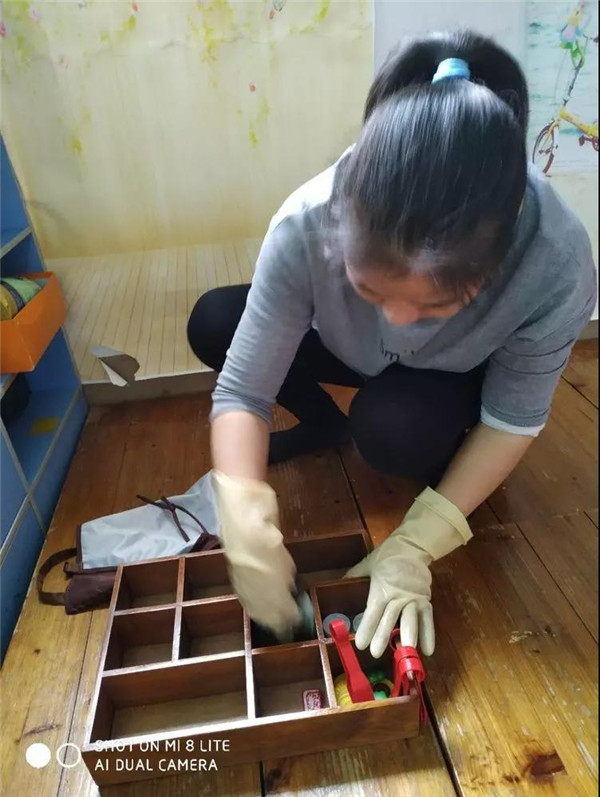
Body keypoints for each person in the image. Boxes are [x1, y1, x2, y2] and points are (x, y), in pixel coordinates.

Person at [188, 31, 597, 659]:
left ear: (497, 263)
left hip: (446, 379)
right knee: (216, 319)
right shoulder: (307, 221)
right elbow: (243, 389)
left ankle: (438, 460)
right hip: (345, 350)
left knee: (393, 429)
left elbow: (512, 419)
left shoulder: (556, 263)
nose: (401, 320)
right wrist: (240, 507)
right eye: (370, 290)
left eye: (437, 305)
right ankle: (326, 424)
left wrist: (416, 543)